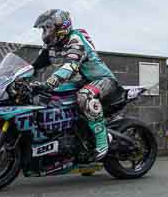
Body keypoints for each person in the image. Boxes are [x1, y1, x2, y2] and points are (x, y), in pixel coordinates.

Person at [29, 9, 119, 160]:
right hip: (79, 82)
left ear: (61, 27)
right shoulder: (51, 45)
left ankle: (102, 141)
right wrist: (17, 78)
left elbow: (70, 66)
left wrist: (50, 82)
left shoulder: (75, 39)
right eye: (44, 28)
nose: (45, 32)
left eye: (48, 27)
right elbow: (35, 66)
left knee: (85, 96)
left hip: (102, 80)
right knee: (50, 97)